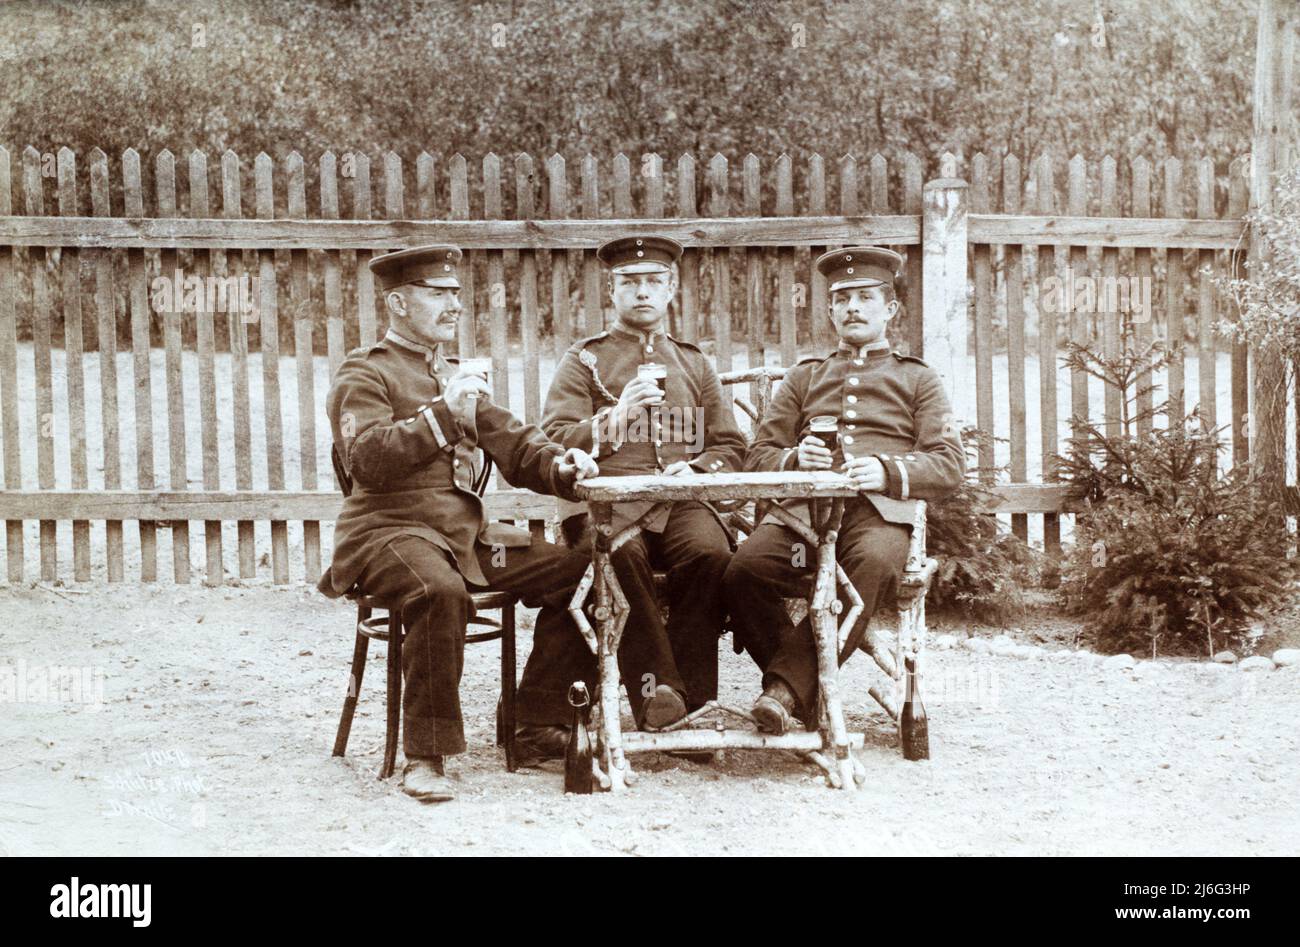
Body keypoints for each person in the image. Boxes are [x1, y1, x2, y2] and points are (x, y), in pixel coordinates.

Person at [319, 244, 599, 802]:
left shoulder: (454, 375)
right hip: (387, 534)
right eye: (437, 293)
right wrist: (444, 413)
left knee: (584, 570)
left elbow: (517, 447)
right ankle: (424, 757)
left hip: (466, 539)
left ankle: (533, 718)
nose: (453, 305)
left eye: (455, 294)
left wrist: (564, 466)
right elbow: (367, 459)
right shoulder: (364, 372)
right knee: (436, 589)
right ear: (398, 303)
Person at [722, 246, 965, 734]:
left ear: (889, 309)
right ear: (830, 310)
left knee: (871, 567)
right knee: (741, 573)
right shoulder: (805, 376)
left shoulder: (917, 378)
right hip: (802, 517)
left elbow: (949, 464)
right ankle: (802, 691)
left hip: (877, 516)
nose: (853, 307)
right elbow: (759, 453)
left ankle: (785, 693)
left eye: (865, 297)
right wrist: (795, 459)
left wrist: (888, 470)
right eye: (843, 299)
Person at [530, 235, 747, 728]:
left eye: (654, 282)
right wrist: (615, 417)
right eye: (630, 283)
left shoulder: (693, 362)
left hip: (682, 500)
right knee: (616, 555)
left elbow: (731, 445)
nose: (642, 292)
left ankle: (694, 703)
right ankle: (660, 696)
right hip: (607, 503)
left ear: (671, 290)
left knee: (711, 554)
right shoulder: (583, 360)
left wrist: (696, 470)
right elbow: (556, 439)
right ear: (612, 292)